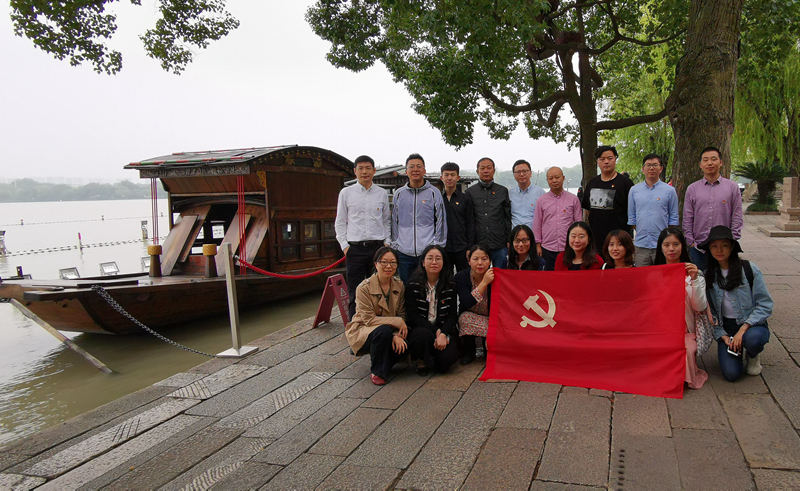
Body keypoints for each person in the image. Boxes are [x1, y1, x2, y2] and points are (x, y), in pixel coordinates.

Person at [701, 225, 773, 382]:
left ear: (732, 247)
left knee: (753, 340)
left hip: (751, 325)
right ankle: (736, 351)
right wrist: (722, 335)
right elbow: (711, 313)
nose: (719, 250)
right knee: (732, 374)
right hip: (727, 328)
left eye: (724, 245)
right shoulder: (708, 276)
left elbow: (765, 304)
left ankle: (752, 355)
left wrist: (743, 329)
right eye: (714, 246)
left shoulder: (749, 269)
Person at [335, 155, 391, 320]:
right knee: (355, 291)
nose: (364, 172)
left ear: (374, 171)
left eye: (368, 168)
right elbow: (340, 222)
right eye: (360, 168)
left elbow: (386, 221)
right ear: (355, 171)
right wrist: (345, 246)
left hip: (378, 249)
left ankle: (380, 324)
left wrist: (387, 243)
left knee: (380, 289)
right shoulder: (346, 193)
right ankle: (356, 327)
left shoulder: (381, 193)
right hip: (355, 249)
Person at [653, 226, 709, 389]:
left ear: (683, 247)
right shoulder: (654, 274)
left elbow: (700, 306)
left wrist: (694, 280)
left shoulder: (694, 274)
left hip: (685, 332)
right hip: (660, 330)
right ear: (661, 248)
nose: (671, 249)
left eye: (676, 244)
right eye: (666, 245)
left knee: (684, 352)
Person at [345, 247, 408, 386]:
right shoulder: (363, 288)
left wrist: (396, 335)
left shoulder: (399, 285)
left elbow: (402, 314)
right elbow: (369, 320)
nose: (388, 266)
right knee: (383, 332)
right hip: (364, 330)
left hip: (390, 329)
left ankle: (386, 360)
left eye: (393, 262)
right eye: (384, 262)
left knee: (408, 341)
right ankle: (377, 372)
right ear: (376, 263)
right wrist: (396, 322)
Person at [683, 146, 744, 272]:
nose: (709, 163)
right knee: (700, 281)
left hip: (724, 247)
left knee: (725, 279)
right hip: (699, 247)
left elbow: (737, 215)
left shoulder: (732, 187)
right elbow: (687, 217)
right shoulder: (692, 189)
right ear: (700, 164)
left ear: (720, 163)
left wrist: (733, 239)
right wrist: (691, 242)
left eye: (713, 159)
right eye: (705, 160)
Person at [404, 245, 459, 375]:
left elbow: (452, 315)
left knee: (444, 364)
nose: (434, 262)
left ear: (443, 262)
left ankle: (435, 355)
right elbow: (413, 317)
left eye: (438, 258)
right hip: (422, 329)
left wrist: (443, 333)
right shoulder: (412, 285)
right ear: (423, 262)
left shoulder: (450, 285)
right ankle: (421, 360)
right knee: (422, 335)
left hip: (443, 329)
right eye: (430, 258)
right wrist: (436, 331)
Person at [392, 153, 447, 282]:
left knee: (428, 286)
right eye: (411, 167)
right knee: (406, 287)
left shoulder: (434, 192)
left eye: (419, 166)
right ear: (406, 171)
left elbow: (441, 219)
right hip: (404, 252)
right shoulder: (399, 194)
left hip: (427, 252)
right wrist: (395, 244)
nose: (415, 169)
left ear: (424, 170)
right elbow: (394, 220)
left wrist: (437, 245)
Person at [627, 153, 679, 267]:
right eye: (648, 165)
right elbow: (632, 218)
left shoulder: (669, 191)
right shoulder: (634, 190)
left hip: (662, 245)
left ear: (661, 168)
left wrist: (666, 237)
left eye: (655, 165)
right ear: (643, 169)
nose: (651, 168)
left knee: (662, 275)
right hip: (641, 245)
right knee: (641, 276)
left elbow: (673, 218)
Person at [581, 146, 635, 252]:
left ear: (615, 159)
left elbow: (633, 211)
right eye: (602, 159)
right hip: (596, 239)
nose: (606, 162)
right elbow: (587, 211)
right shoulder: (592, 183)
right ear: (597, 161)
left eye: (610, 158)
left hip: (619, 240)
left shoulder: (626, 183)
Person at [534, 166, 583, 270]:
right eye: (551, 178)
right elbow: (537, 224)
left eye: (557, 177)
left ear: (563, 178)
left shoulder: (573, 199)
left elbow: (579, 223)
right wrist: (537, 245)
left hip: (568, 247)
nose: (554, 180)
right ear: (547, 180)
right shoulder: (541, 200)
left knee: (568, 276)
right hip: (547, 247)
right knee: (549, 277)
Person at [466, 157, 511, 268]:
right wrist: (469, 245)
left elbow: (507, 217)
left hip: (499, 242)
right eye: (482, 168)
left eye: (489, 168)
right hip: (479, 243)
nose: (486, 171)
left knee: (500, 273)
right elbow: (469, 220)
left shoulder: (502, 191)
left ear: (494, 170)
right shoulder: (470, 192)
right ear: (477, 171)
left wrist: (509, 239)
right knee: (479, 273)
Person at [454, 244, 494, 365]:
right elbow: (467, 302)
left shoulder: (496, 276)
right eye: (475, 259)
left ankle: (488, 345)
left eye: (484, 259)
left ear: (490, 261)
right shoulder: (461, 277)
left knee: (490, 356)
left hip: (491, 317)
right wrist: (484, 283)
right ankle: (469, 350)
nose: (480, 263)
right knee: (464, 319)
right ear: (469, 261)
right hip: (471, 316)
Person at [440, 162, 475, 273]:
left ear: (458, 177)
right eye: (446, 175)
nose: (449, 178)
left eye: (452, 175)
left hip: (462, 247)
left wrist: (470, 247)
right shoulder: (438, 199)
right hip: (443, 247)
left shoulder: (465, 199)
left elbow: (470, 224)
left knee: (464, 276)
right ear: (441, 177)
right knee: (445, 278)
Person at [509, 159, 546, 228]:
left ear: (531, 173)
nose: (521, 174)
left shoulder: (540, 193)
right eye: (518, 172)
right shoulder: (510, 194)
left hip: (533, 233)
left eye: (525, 171)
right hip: (515, 233)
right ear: (514, 175)